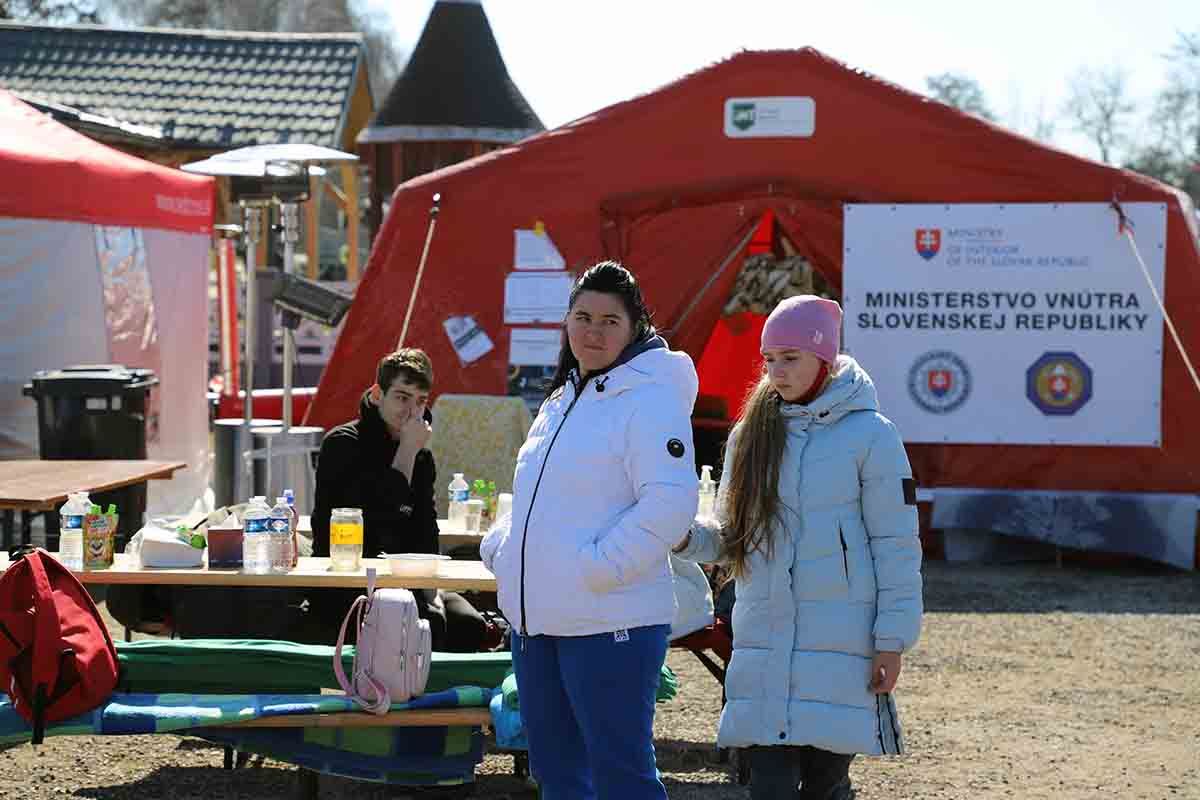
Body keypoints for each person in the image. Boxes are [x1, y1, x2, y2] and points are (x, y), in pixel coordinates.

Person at [673, 295, 923, 800]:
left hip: (842, 651)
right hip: (763, 647)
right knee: (768, 787)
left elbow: (896, 547)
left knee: (827, 786)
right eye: (769, 360)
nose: (777, 372)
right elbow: (730, 539)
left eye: (791, 358)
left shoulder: (872, 436)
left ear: (825, 360)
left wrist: (892, 641)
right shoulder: (749, 435)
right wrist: (681, 537)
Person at [480, 261, 698, 799]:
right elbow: (538, 492)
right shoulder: (564, 396)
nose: (593, 332)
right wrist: (503, 547)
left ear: (636, 327)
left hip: (610, 622)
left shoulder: (650, 398)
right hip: (541, 623)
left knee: (620, 777)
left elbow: (670, 504)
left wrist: (596, 569)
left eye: (609, 320)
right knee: (556, 774)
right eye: (582, 317)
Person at [309, 348, 488, 653]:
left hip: (406, 576)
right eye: (402, 397)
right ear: (378, 394)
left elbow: (425, 526)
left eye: (420, 401)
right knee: (427, 624)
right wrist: (406, 451)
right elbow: (374, 520)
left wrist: (431, 591)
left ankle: (449, 698)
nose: (411, 411)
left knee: (469, 626)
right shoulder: (342, 443)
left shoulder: (421, 454)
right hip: (348, 578)